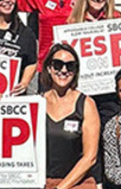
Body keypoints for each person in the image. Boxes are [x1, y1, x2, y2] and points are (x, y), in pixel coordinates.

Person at [42, 43, 101, 189]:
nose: (63, 70)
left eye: (70, 66)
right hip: (43, 183)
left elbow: (90, 157)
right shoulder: (37, 103)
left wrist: (61, 188)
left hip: (77, 184)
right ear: (49, 68)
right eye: (57, 65)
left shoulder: (87, 104)